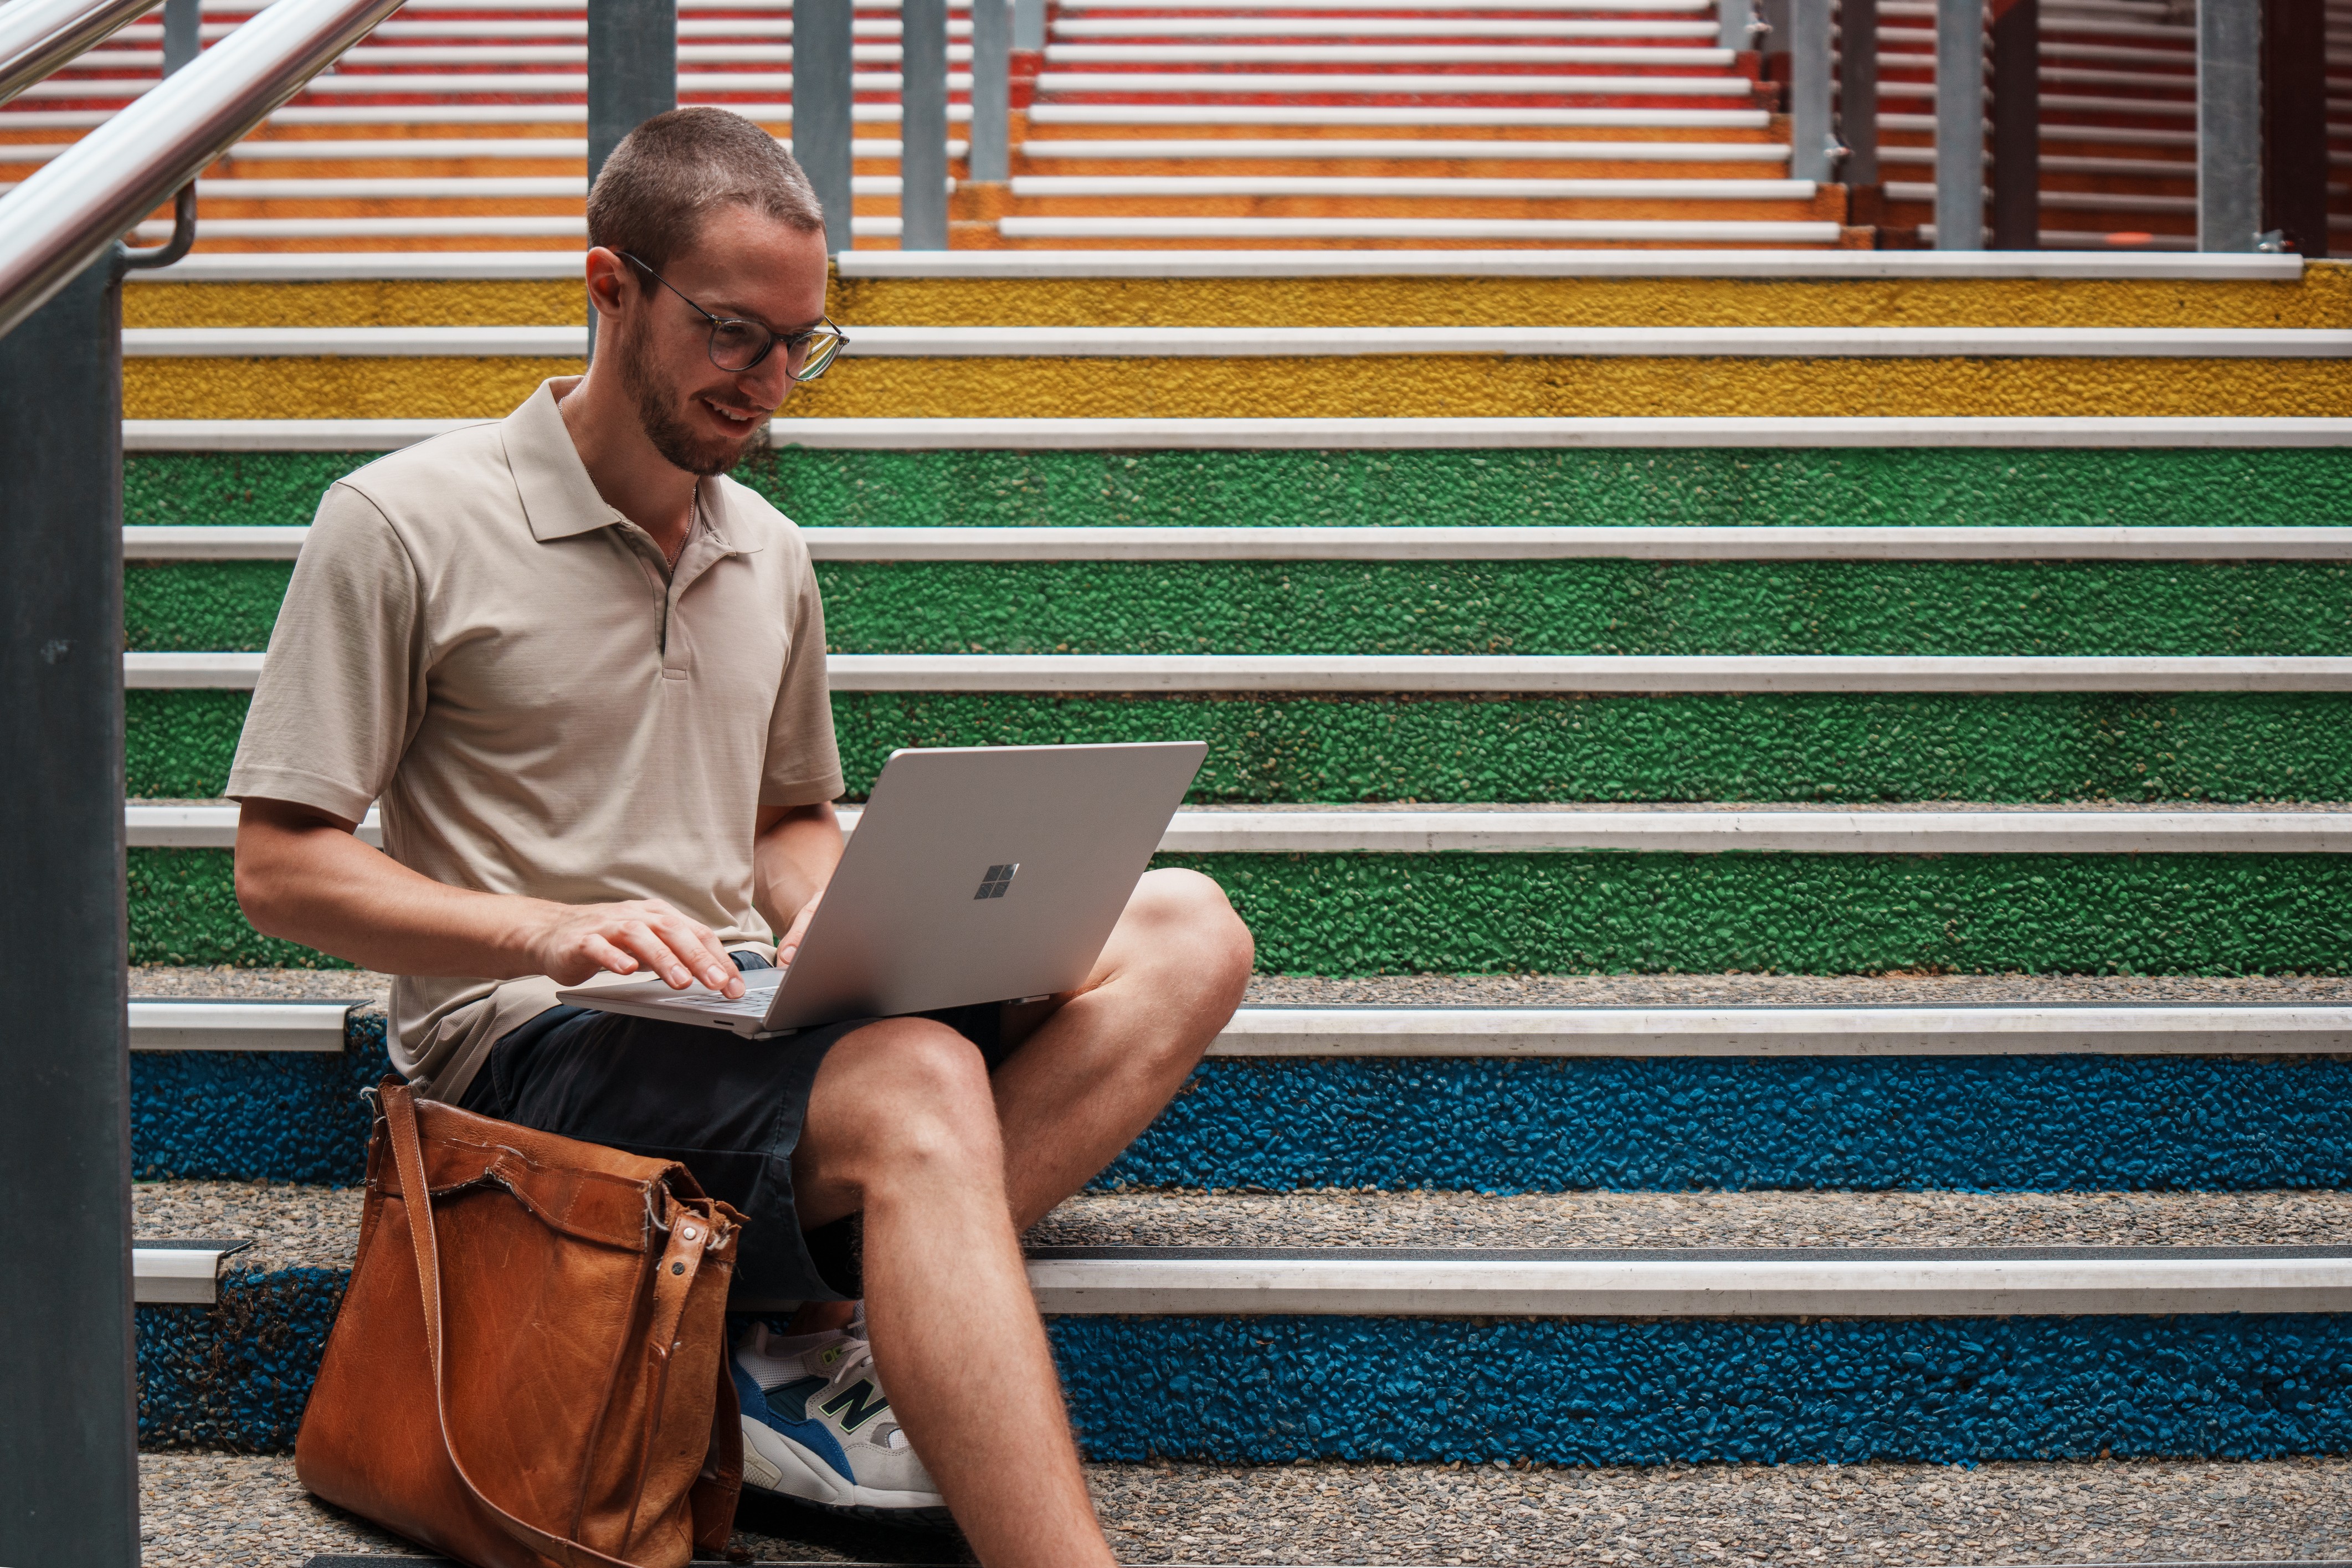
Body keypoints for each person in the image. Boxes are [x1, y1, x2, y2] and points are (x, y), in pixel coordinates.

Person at [228, 106, 1254, 1564]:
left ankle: (791, 1325)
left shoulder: (768, 551)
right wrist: (549, 928)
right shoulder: (401, 522)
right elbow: (278, 868)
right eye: (732, 334)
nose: (771, 383)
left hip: (727, 1003)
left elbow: (782, 818)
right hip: (527, 1037)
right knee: (912, 1082)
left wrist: (877, 935)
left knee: (1187, 928)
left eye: (802, 345)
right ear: (611, 287)